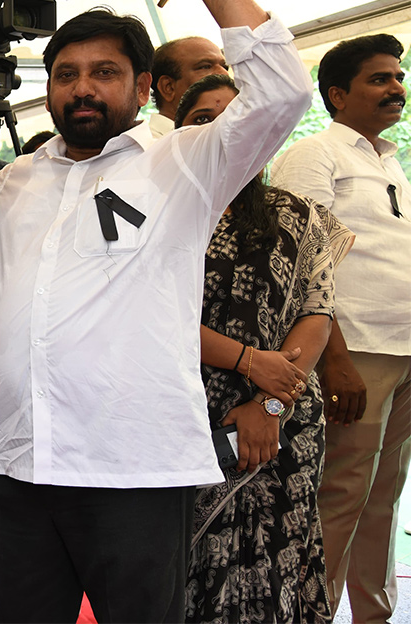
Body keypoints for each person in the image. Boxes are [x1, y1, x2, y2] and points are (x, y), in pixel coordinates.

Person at [0, 0, 313, 623]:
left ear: (145, 87)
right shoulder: (12, 181)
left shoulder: (183, 164)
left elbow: (285, 89)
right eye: (65, 74)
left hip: (132, 471)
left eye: (104, 72)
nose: (82, 88)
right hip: (17, 464)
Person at [175, 74, 352, 622]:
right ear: (177, 131)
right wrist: (250, 363)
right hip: (184, 415)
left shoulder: (298, 215)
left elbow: (316, 314)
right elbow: (148, 320)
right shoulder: (156, 215)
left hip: (286, 419)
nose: (225, 128)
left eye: (240, 116)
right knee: (189, 563)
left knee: (283, 553)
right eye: (204, 118)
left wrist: (269, 404)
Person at [271, 33, 411, 623]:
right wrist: (336, 359)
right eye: (379, 79)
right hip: (356, 356)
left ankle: (375, 616)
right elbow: (304, 265)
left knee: (384, 501)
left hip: (403, 354)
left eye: (398, 77)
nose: (396, 88)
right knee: (340, 497)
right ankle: (313, 614)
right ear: (336, 94)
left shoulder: (388, 159)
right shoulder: (315, 154)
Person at [148, 36, 231, 138]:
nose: (224, 73)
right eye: (205, 67)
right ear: (168, 87)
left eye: (225, 67)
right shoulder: (151, 147)